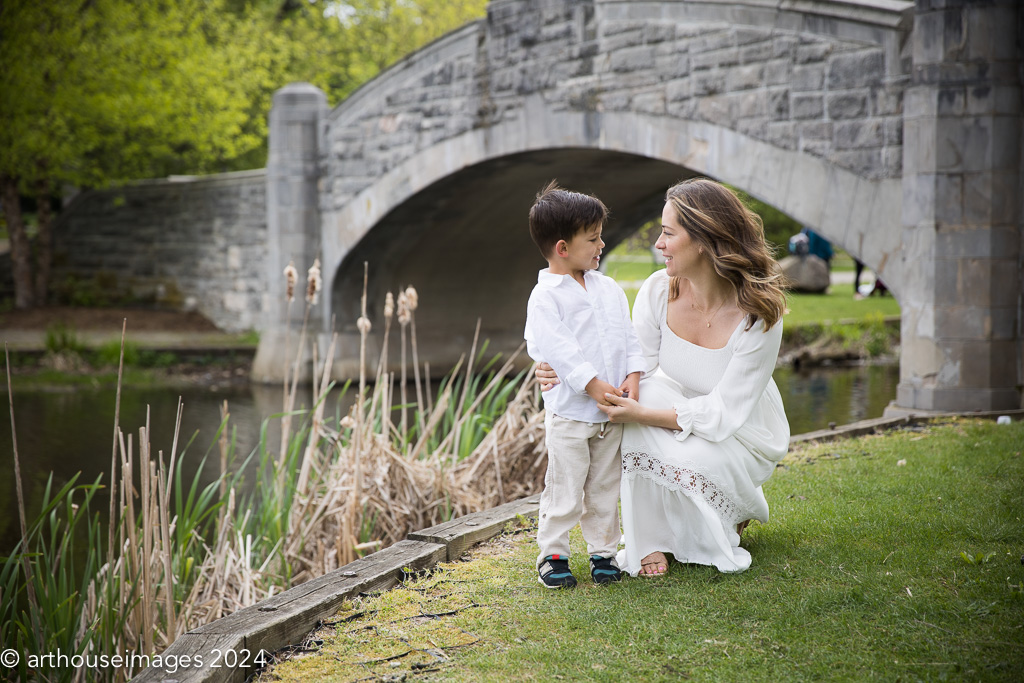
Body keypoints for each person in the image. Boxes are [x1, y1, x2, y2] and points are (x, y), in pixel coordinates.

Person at [537, 178, 790, 576]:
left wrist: (640, 414)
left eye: (668, 233)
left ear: (705, 240)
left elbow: (723, 414)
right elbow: (631, 363)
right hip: (673, 406)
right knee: (642, 389)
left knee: (643, 414)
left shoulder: (760, 314)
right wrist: (557, 365)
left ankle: (733, 505)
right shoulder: (658, 290)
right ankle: (649, 538)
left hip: (740, 429)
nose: (658, 243)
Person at [524, 181, 646, 588]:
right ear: (563, 248)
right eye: (593, 239)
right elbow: (554, 348)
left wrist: (632, 376)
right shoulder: (546, 297)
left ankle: (603, 553)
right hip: (572, 413)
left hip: (612, 411)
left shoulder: (607, 288)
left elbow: (627, 336)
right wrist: (593, 387)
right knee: (565, 486)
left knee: (604, 486)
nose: (601, 244)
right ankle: (554, 554)